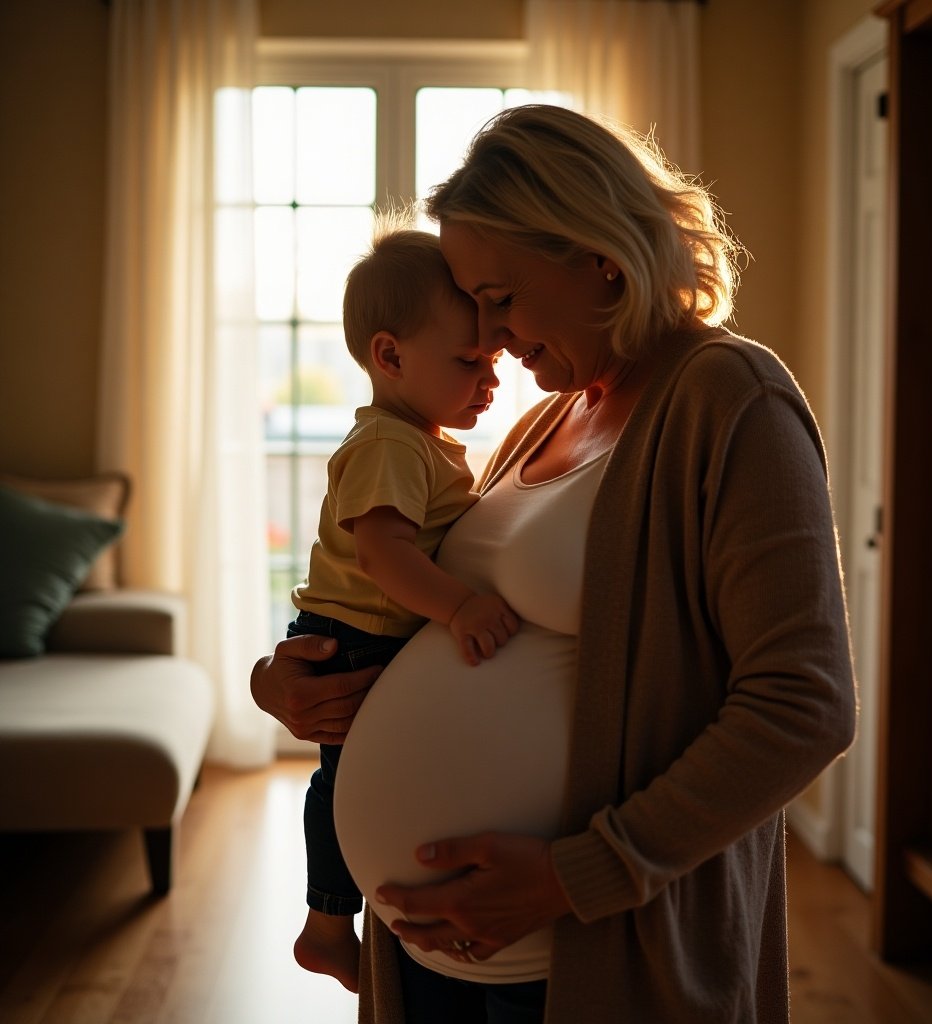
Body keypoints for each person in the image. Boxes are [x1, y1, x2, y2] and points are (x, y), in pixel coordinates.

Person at [252, 104, 856, 1023]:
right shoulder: (542, 419)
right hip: (428, 952)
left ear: (597, 257)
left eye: (500, 297)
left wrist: (576, 876)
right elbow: (442, 618)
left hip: (593, 947)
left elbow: (804, 704)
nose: (489, 335)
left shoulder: (731, 401)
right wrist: (290, 683)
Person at [288, 222, 519, 993]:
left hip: (369, 635)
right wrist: (459, 610)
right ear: (389, 356)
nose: (490, 380)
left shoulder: (419, 438)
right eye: (470, 362)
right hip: (350, 640)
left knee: (355, 778)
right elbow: (386, 558)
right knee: (345, 781)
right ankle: (325, 923)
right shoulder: (389, 444)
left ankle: (333, 917)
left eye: (492, 359)